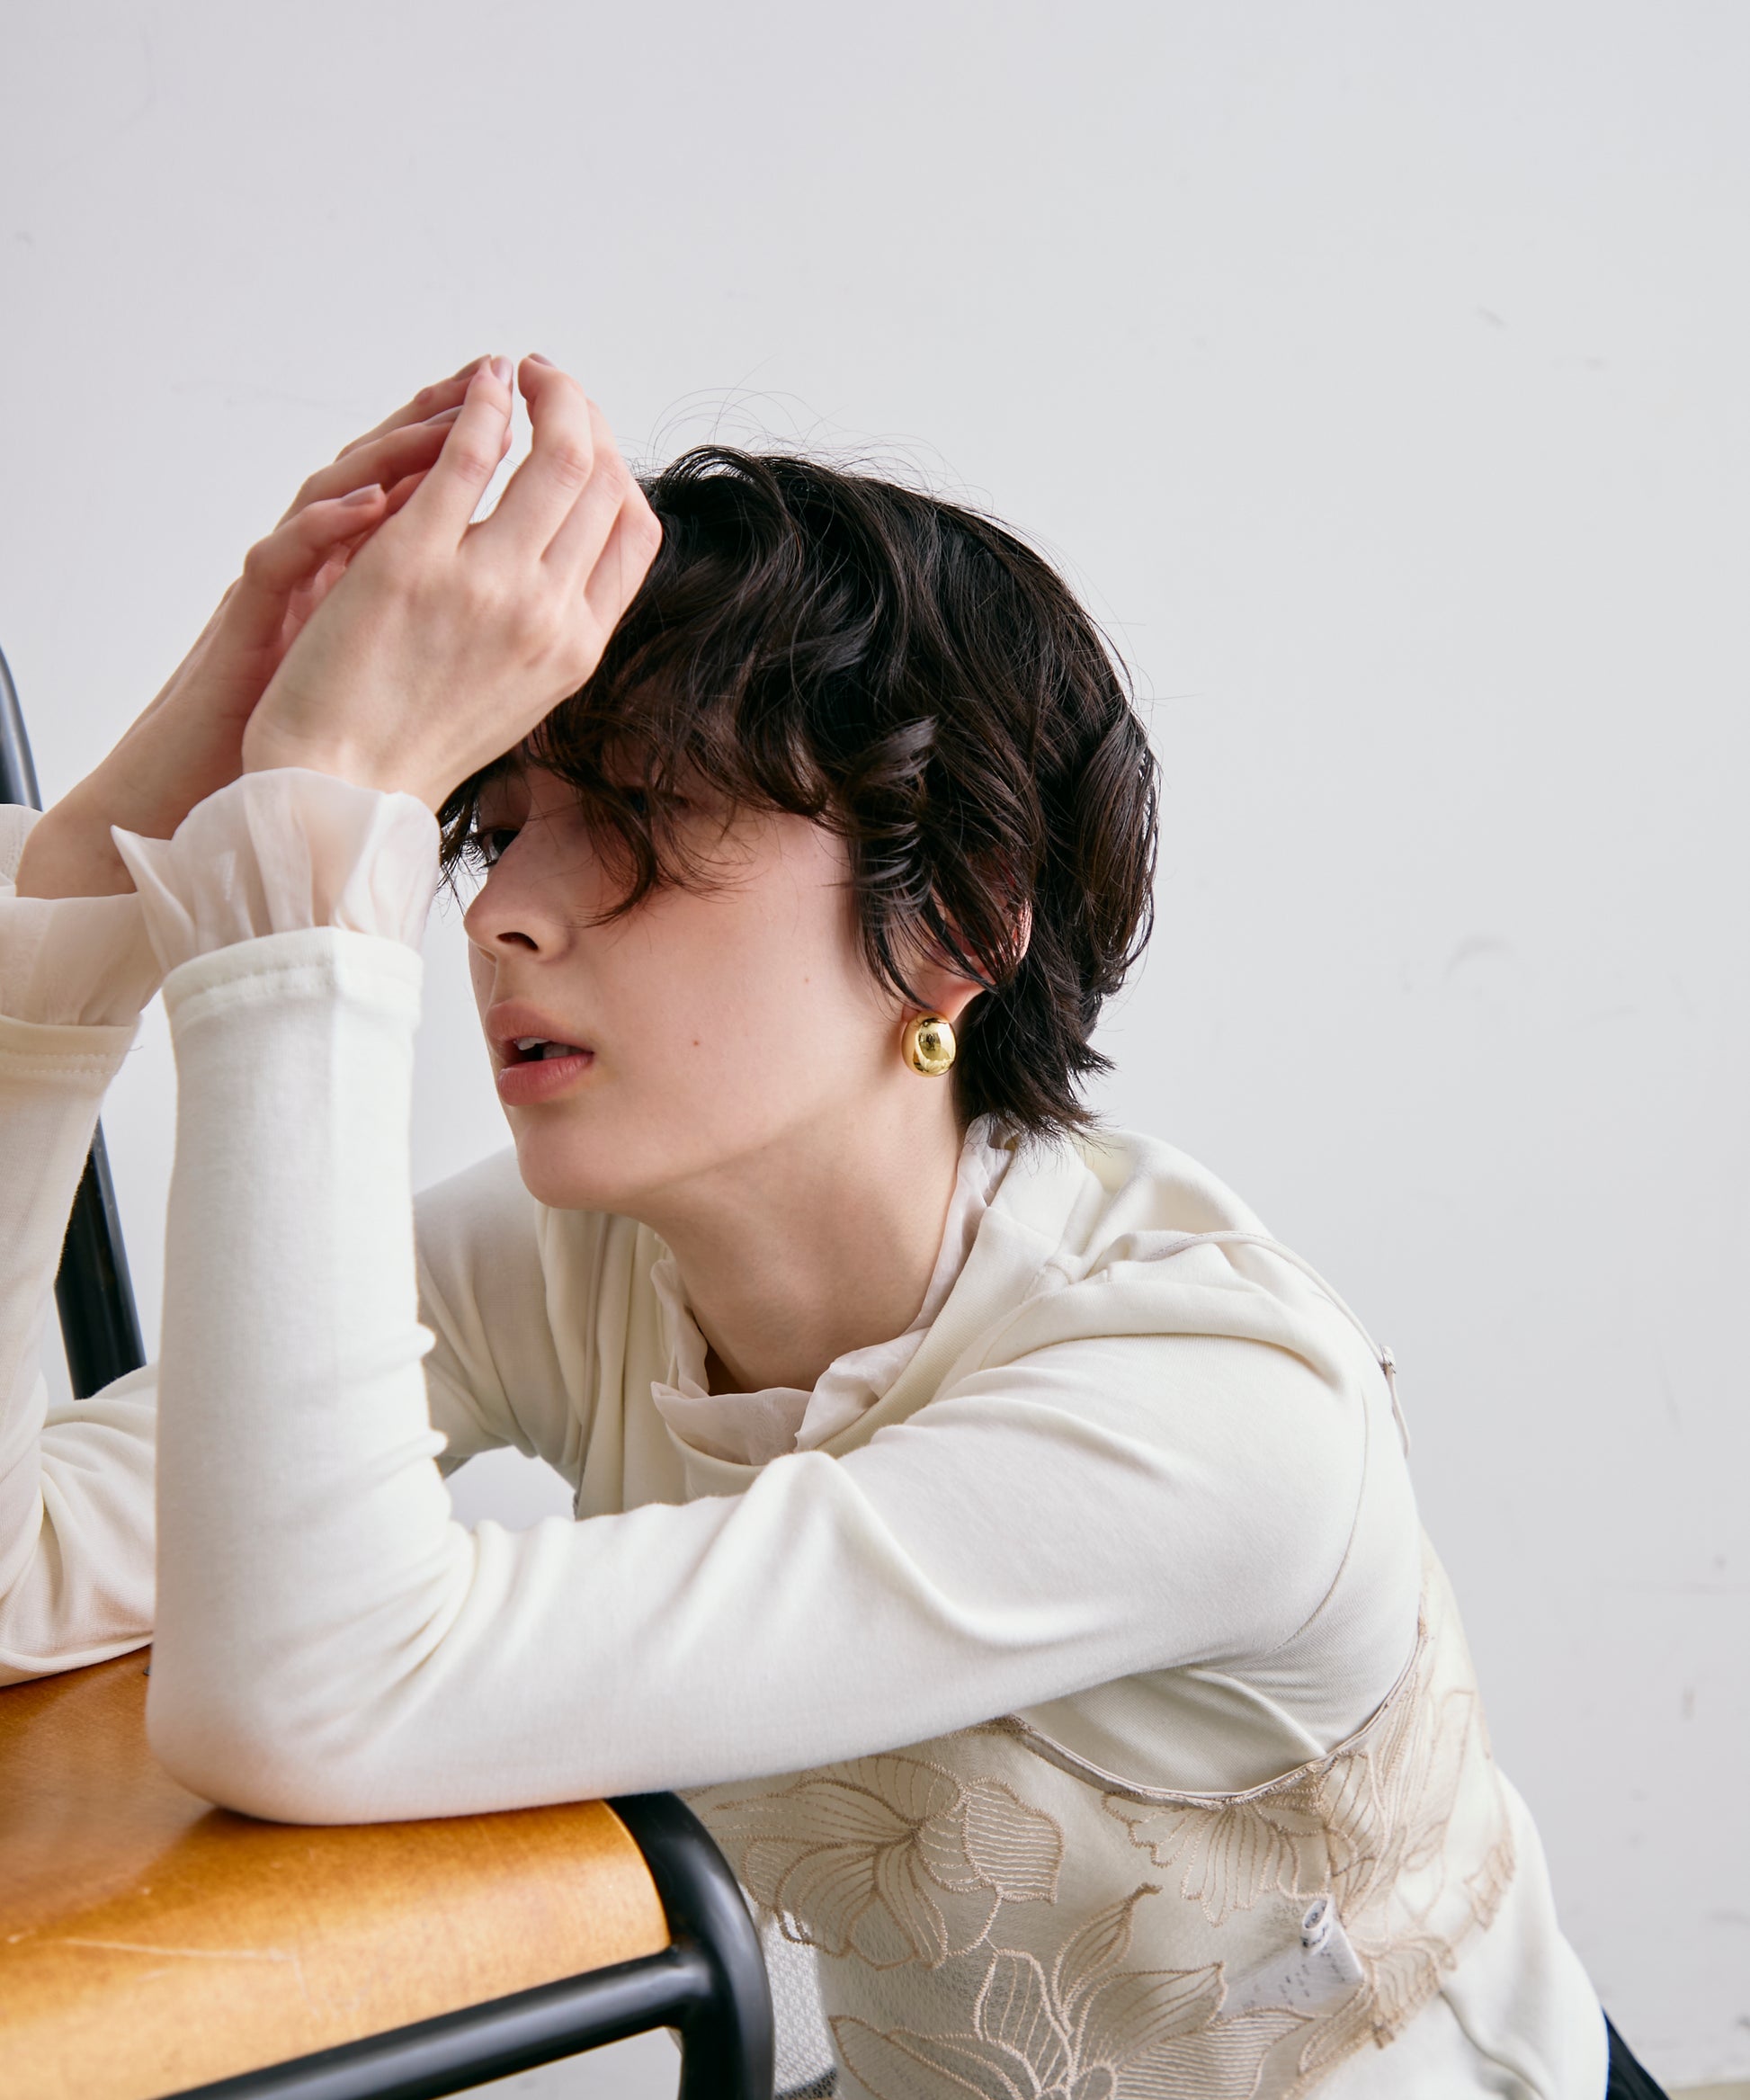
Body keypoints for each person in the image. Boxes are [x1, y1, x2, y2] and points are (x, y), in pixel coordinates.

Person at [0, 353, 1659, 2099]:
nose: (496, 917)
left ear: (953, 922)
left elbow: (309, 1699)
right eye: (489, 827)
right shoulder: (580, 1264)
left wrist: (313, 852)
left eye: (636, 816)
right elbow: (27, 1569)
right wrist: (134, 831)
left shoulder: (1209, 1413)